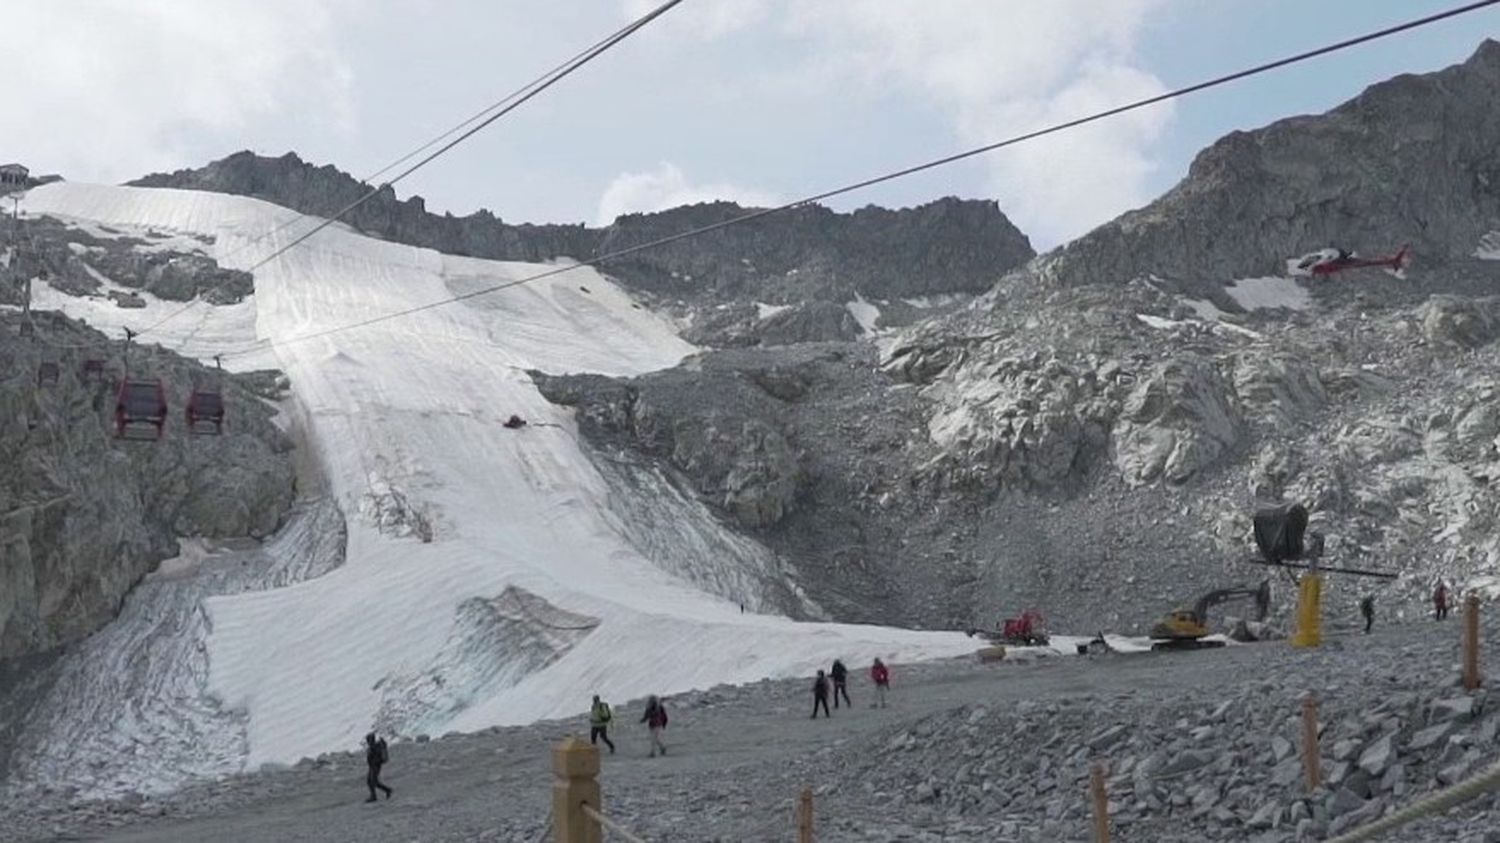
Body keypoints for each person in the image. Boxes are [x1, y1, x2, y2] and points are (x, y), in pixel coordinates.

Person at [364, 732, 393, 803]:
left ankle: (382, 792)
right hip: (373, 766)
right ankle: (384, 791)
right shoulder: (374, 746)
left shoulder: (375, 747)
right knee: (371, 781)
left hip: (375, 766)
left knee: (373, 781)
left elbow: (377, 758)